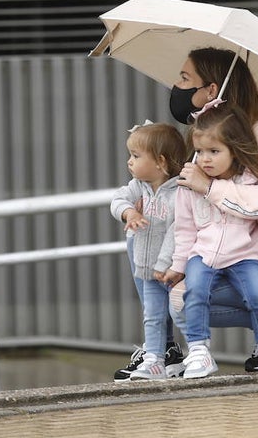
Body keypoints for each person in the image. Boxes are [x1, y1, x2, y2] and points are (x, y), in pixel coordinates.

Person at [168, 46, 258, 368]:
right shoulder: (202, 142)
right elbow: (187, 219)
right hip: (213, 252)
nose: (177, 86)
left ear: (211, 91)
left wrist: (211, 188)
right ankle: (170, 352)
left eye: (185, 78)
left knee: (184, 299)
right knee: (175, 290)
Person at [163, 105, 258, 378]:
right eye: (200, 151)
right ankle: (198, 351)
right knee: (195, 294)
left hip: (245, 256)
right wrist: (178, 265)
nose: (205, 159)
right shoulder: (188, 186)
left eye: (214, 151)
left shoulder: (250, 183)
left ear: (234, 150)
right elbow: (185, 230)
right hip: (203, 255)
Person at [109, 122, 187, 380]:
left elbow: (179, 230)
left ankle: (196, 352)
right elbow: (117, 200)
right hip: (145, 267)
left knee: (181, 311)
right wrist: (129, 212)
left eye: (136, 156)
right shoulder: (137, 187)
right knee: (152, 314)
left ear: (160, 162)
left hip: (170, 268)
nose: (129, 162)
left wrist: (164, 263)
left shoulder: (179, 193)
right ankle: (155, 358)